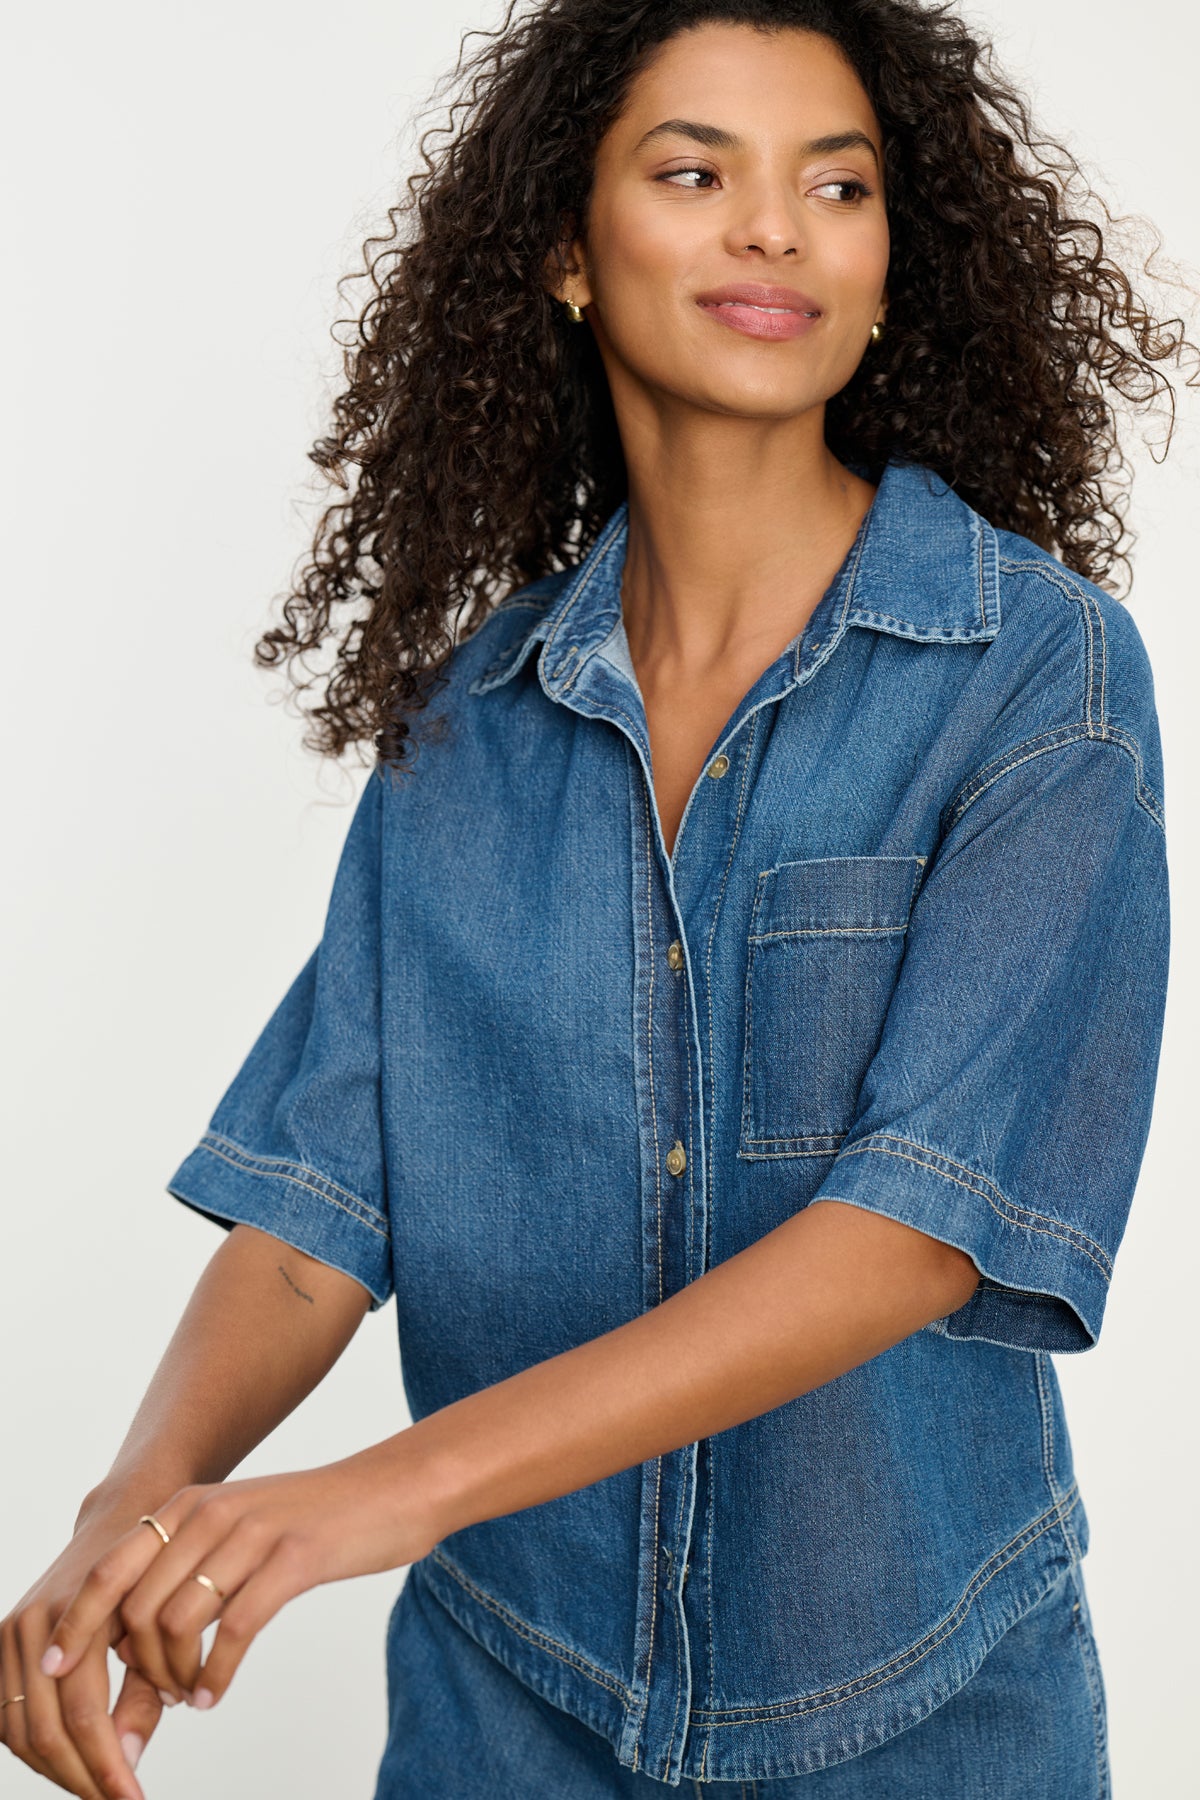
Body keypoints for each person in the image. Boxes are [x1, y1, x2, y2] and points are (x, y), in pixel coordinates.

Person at [3, 1, 1191, 1795]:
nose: (774, 228)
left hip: (926, 1716)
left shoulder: (1039, 674)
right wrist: (136, 1509)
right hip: (510, 1713)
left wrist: (368, 1502)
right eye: (694, 171)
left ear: (891, 265)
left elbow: (923, 1225)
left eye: (838, 185)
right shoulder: (471, 726)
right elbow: (317, 1207)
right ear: (566, 248)